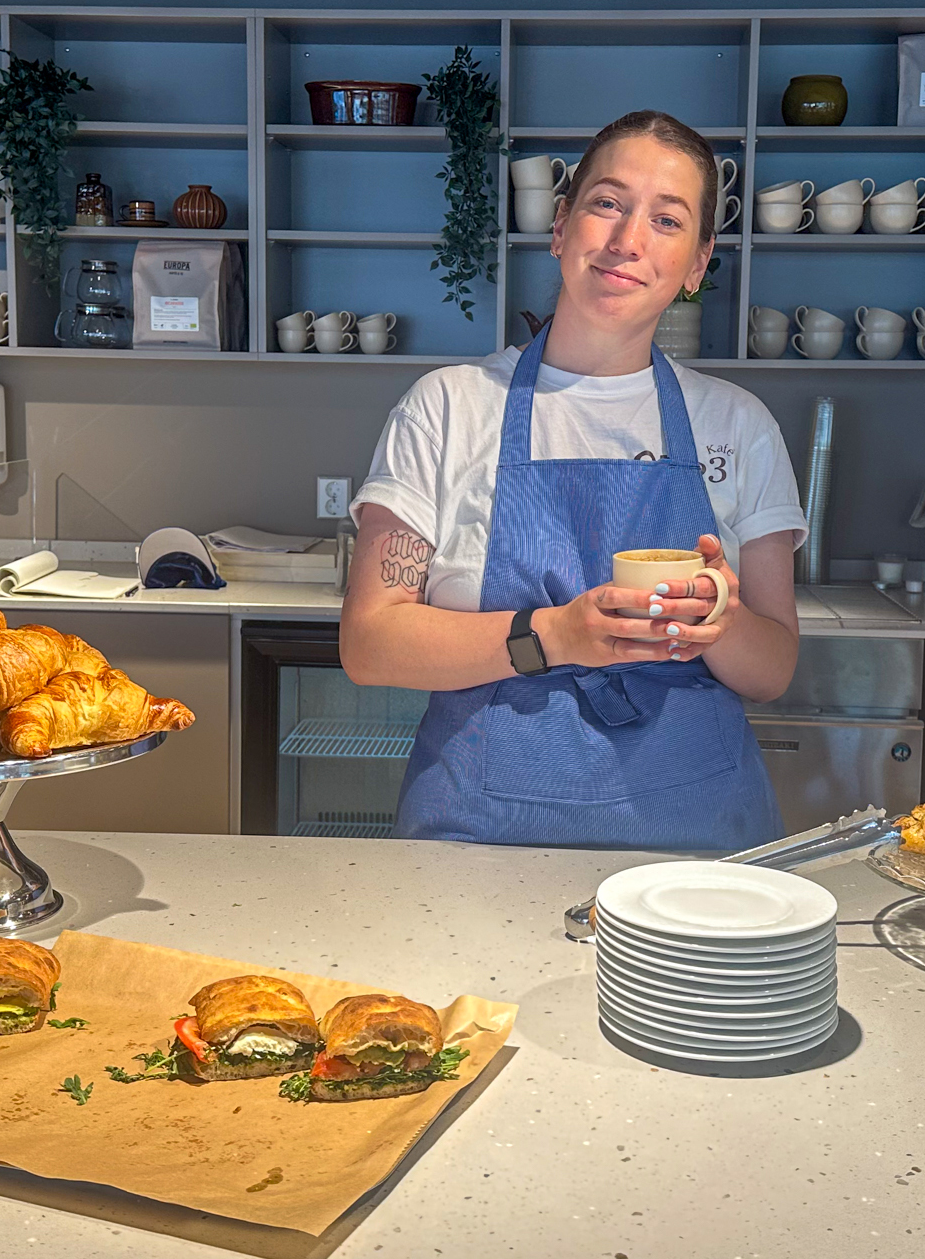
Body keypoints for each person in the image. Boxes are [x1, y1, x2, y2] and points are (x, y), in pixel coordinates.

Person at [341, 109, 806, 852]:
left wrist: (721, 622)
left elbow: (773, 666)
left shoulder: (738, 426)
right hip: (479, 842)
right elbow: (370, 644)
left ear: (696, 264)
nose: (627, 241)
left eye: (667, 219)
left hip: (697, 854)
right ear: (561, 227)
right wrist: (554, 634)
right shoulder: (449, 407)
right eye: (607, 203)